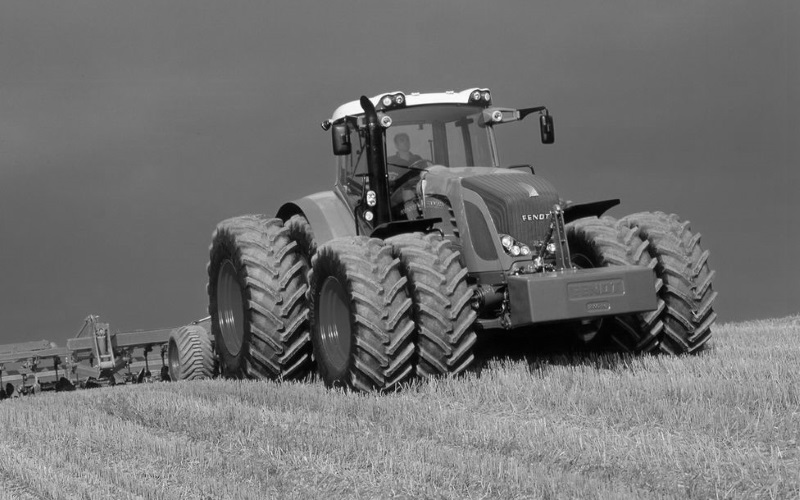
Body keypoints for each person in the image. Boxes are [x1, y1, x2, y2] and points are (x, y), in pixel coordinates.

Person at [386, 133, 426, 219]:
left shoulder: (417, 158)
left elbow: (426, 174)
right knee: (407, 192)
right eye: (402, 140)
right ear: (396, 145)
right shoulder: (390, 161)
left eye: (407, 140)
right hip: (397, 191)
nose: (406, 142)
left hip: (417, 188)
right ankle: (414, 221)